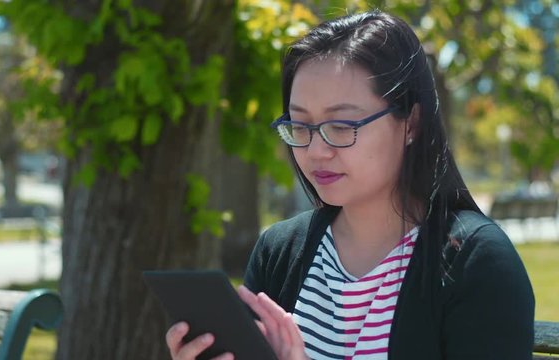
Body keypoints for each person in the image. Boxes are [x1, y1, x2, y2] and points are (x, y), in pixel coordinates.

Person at [166, 10, 535, 360]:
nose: (315, 150)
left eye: (341, 126)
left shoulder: (476, 263)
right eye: (300, 126)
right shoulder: (278, 252)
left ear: (411, 124)